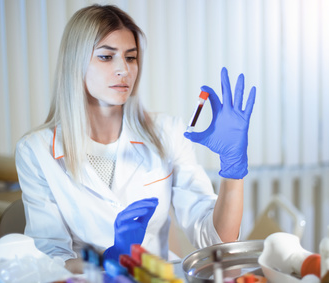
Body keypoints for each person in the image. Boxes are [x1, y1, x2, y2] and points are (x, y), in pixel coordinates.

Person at [15, 4, 256, 274]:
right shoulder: (36, 150)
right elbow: (50, 259)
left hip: (157, 278)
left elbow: (215, 240)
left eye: (131, 58)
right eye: (106, 57)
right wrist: (110, 259)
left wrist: (233, 170)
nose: (124, 70)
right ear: (76, 62)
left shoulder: (168, 132)